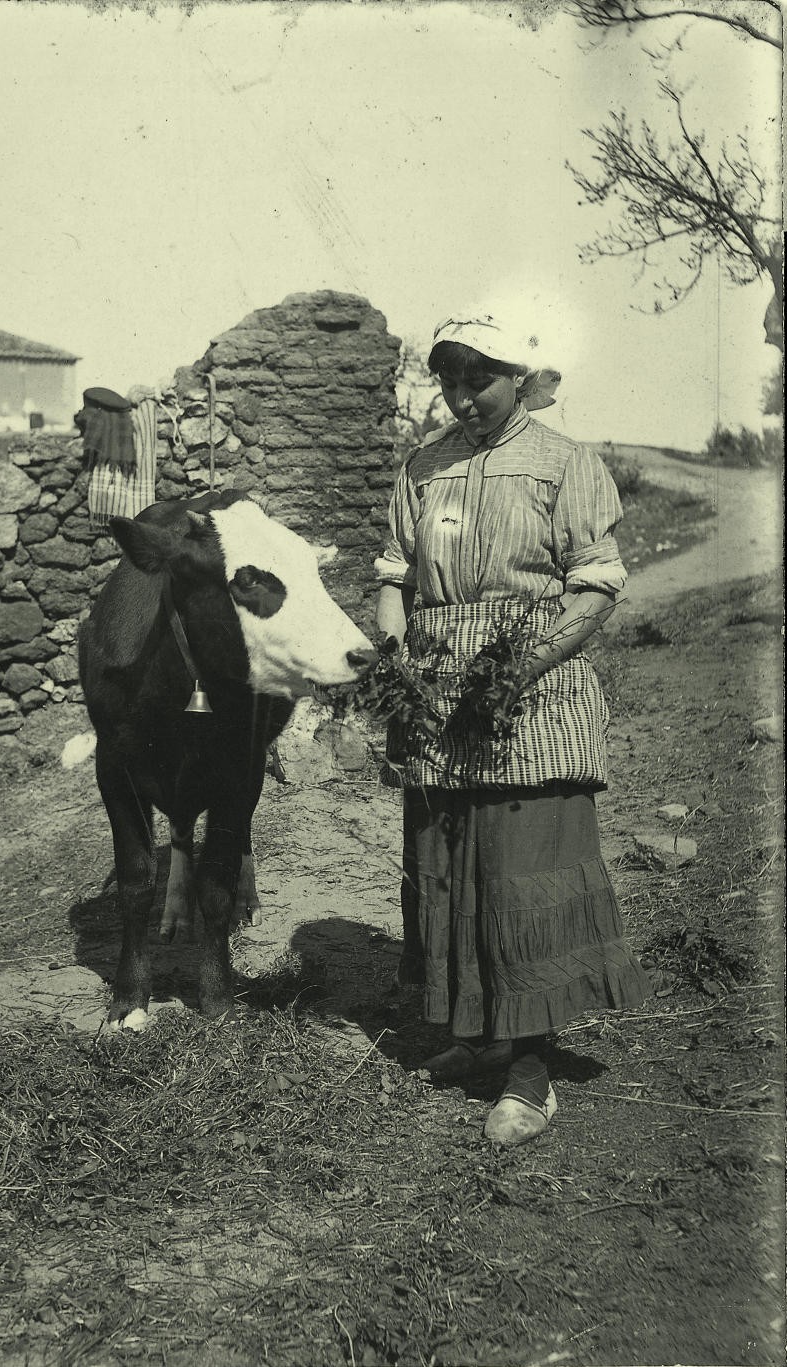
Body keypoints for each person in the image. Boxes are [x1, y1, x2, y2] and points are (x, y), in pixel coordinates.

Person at [374, 309, 650, 1147]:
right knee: (450, 865)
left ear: (522, 378)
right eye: (448, 383)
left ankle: (531, 1073)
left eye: (478, 381)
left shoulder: (563, 464)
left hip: (526, 688)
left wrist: (511, 670)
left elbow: (594, 586)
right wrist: (393, 659)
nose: (461, 399)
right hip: (435, 692)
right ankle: (480, 1032)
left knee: (518, 871)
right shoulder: (423, 467)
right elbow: (394, 575)